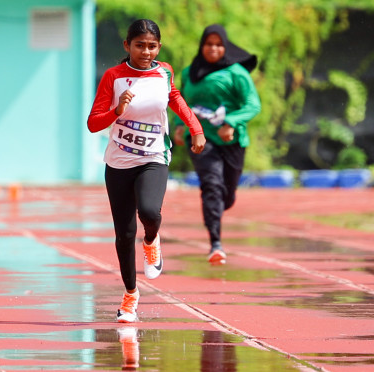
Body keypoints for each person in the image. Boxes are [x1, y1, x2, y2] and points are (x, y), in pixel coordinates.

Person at [88, 18, 206, 323]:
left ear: (159, 47)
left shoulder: (163, 72)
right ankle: (130, 296)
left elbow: (175, 97)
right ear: (127, 46)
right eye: (139, 45)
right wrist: (117, 111)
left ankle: (152, 240)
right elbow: (93, 123)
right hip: (119, 163)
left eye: (152, 46)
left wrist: (196, 129)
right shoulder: (113, 77)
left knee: (150, 212)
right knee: (124, 234)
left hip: (154, 155)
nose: (146, 51)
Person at [176, 25, 261, 265]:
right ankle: (215, 244)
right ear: (201, 46)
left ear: (225, 47)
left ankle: (215, 213)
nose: (213, 48)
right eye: (208, 44)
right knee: (211, 185)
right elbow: (179, 102)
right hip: (201, 138)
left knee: (227, 197)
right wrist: (180, 126)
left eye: (218, 44)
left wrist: (231, 122)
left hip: (231, 141)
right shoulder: (188, 72)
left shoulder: (237, 73)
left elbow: (253, 105)